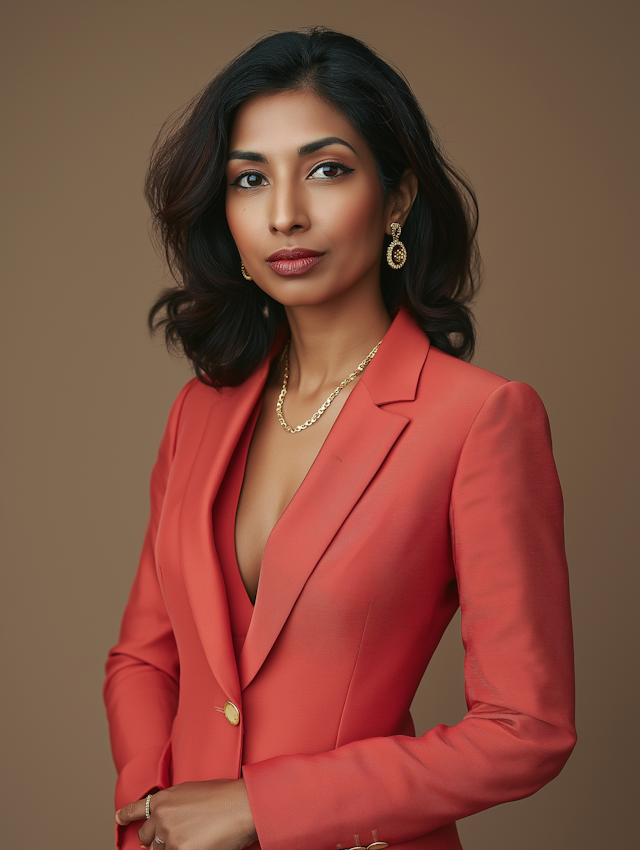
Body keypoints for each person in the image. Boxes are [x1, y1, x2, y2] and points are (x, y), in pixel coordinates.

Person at [104, 27, 576, 850]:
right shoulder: (200, 412)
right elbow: (144, 658)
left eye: (326, 169)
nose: (285, 212)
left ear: (396, 198)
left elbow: (525, 725)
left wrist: (261, 806)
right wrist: (150, 803)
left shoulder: (480, 420)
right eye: (250, 179)